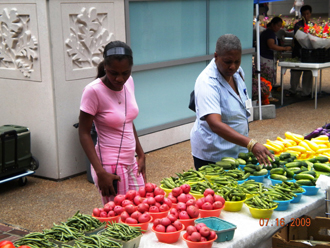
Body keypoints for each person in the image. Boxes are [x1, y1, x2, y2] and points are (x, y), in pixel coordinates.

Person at [190, 34, 274, 171]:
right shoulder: (207, 82)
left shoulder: (237, 72)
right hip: (214, 155)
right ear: (216, 56)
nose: (233, 66)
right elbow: (215, 124)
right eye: (228, 62)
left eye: (237, 61)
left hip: (237, 150)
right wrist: (251, 144)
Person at [79, 41, 146, 205]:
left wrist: (141, 153)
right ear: (105, 67)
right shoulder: (93, 91)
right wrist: (100, 172)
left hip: (131, 162)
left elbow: (127, 120)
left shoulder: (129, 82)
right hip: (110, 166)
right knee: (121, 220)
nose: (120, 78)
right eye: (113, 73)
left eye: (125, 72)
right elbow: (84, 133)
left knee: (142, 209)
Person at [260, 16, 292, 101]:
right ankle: (268, 96)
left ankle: (267, 95)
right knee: (267, 77)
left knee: (267, 77)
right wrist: (284, 49)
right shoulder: (269, 33)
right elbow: (271, 45)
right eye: (278, 25)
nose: (279, 28)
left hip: (266, 57)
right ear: (273, 24)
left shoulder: (268, 32)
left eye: (280, 26)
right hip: (266, 58)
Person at [286, 5, 313, 98]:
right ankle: (293, 90)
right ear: (301, 15)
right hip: (298, 51)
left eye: (308, 14)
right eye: (304, 14)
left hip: (309, 52)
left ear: (310, 14)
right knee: (295, 71)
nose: (306, 16)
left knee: (308, 72)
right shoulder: (298, 25)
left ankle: (306, 92)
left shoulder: (313, 25)